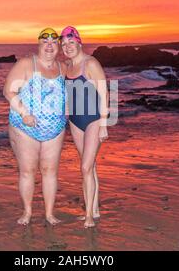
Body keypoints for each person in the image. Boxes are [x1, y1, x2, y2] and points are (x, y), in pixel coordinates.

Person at [3, 28, 67, 225]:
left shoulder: (62, 68)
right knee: (28, 171)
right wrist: (24, 113)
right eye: (45, 42)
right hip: (25, 128)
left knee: (50, 171)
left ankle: (49, 214)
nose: (49, 45)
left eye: (53, 42)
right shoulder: (25, 64)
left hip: (55, 128)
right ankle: (27, 212)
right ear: (39, 45)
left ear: (58, 47)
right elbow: (8, 91)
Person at [61, 26, 109, 228]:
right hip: (75, 121)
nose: (68, 47)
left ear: (79, 42)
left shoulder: (90, 63)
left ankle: (88, 214)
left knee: (85, 167)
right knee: (90, 167)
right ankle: (94, 209)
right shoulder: (67, 66)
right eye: (64, 44)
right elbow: (67, 93)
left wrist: (105, 124)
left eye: (71, 42)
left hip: (94, 120)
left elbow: (105, 93)